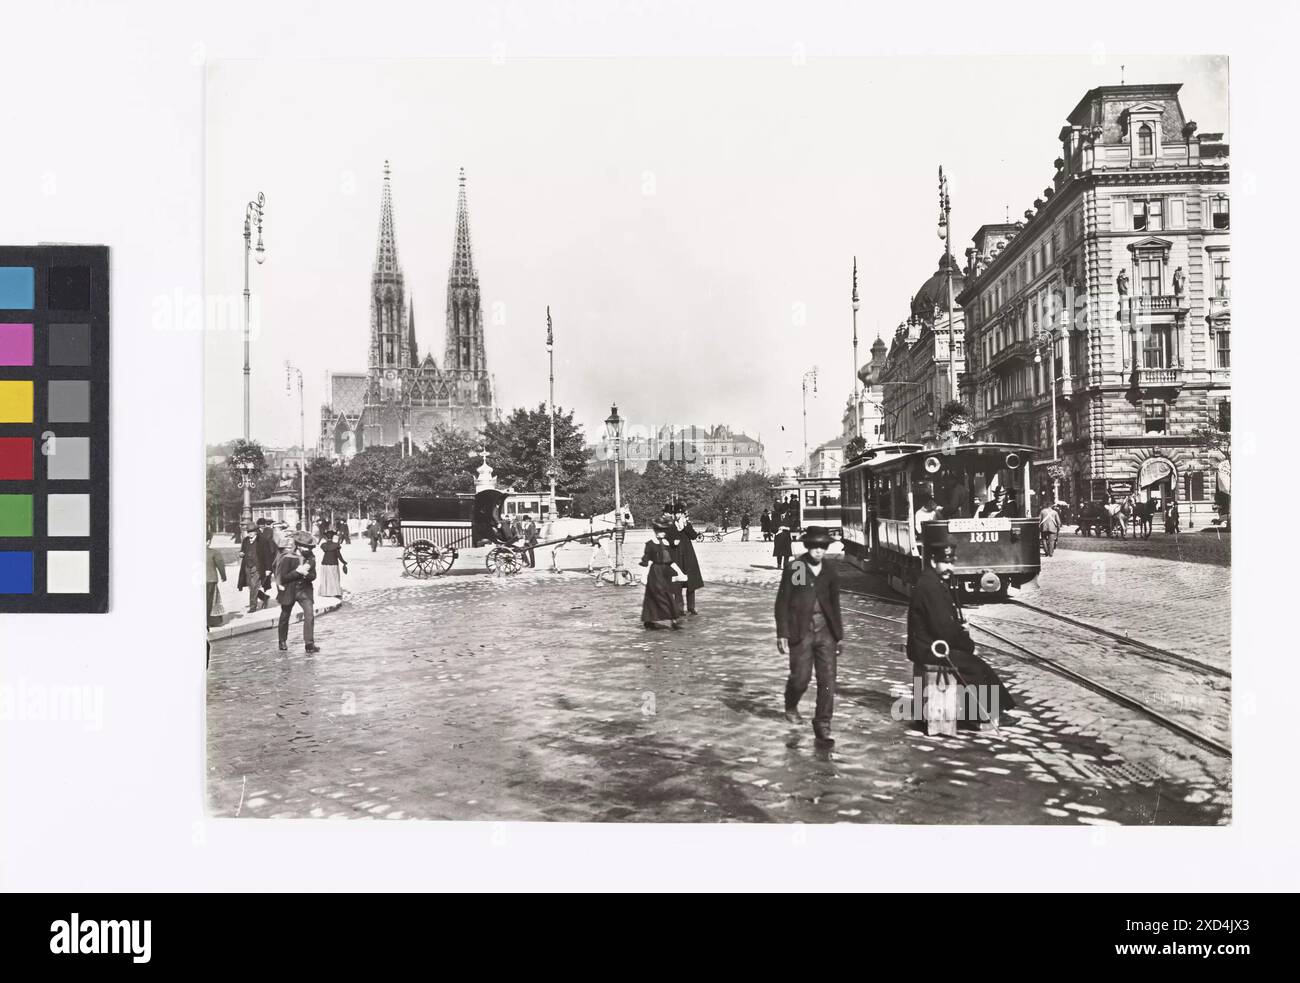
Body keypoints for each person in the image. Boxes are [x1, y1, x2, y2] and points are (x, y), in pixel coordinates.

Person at [907, 525, 1015, 727]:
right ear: (933, 561)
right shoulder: (930, 586)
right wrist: (965, 641)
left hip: (932, 645)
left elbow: (944, 623)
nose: (950, 568)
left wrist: (959, 631)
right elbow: (943, 629)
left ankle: (989, 711)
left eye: (952, 563)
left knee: (975, 664)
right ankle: (985, 714)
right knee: (975, 666)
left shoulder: (933, 581)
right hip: (930, 649)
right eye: (945, 563)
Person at [775, 527, 843, 748]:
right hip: (801, 630)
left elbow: (835, 604)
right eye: (815, 546)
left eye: (823, 547)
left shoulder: (830, 570)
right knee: (801, 677)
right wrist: (782, 633)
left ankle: (823, 724)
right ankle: (791, 703)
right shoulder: (797, 568)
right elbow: (783, 601)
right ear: (807, 546)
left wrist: (839, 635)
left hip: (826, 632)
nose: (819, 551)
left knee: (828, 680)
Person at [275, 530, 320, 654]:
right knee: (285, 615)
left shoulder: (311, 558)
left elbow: (314, 576)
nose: (306, 549)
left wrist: (306, 574)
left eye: (308, 547)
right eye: (304, 546)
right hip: (289, 589)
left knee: (309, 615)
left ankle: (309, 644)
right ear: (298, 545)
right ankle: (282, 640)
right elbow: (283, 577)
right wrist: (297, 572)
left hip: (304, 591)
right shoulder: (288, 558)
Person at [639, 521, 688, 629]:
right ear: (655, 531)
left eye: (664, 531)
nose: (663, 533)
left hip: (665, 573)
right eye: (660, 531)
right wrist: (643, 576)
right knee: (659, 596)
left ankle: (654, 621)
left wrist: (680, 572)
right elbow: (646, 561)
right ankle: (670, 621)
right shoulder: (650, 544)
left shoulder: (665, 543)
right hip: (655, 573)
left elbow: (670, 561)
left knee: (666, 595)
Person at [668, 506, 704, 615]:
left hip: (688, 555)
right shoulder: (671, 526)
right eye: (677, 514)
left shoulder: (687, 525)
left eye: (680, 514)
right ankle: (679, 608)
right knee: (678, 583)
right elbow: (667, 538)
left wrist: (685, 527)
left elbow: (693, 536)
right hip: (676, 555)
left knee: (691, 582)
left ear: (683, 514)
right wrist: (672, 542)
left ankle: (691, 607)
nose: (678, 516)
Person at [236, 522, 262, 613]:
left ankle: (253, 606)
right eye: (249, 531)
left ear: (256, 532)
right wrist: (241, 554)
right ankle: (264, 597)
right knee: (250, 585)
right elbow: (242, 551)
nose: (250, 533)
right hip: (247, 565)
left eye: (252, 531)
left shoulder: (261, 541)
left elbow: (266, 554)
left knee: (254, 585)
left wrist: (267, 569)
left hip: (257, 566)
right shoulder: (246, 540)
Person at [318, 529, 347, 597]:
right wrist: (344, 562)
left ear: (326, 537)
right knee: (334, 577)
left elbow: (325, 549)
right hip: (333, 563)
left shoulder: (323, 545)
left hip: (324, 563)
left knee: (325, 578)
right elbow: (339, 555)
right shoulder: (336, 545)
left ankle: (325, 592)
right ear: (333, 537)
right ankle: (334, 592)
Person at [206, 542, 227, 628]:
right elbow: (220, 565)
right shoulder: (214, 552)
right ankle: (210, 621)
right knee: (211, 601)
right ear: (208, 541)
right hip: (210, 579)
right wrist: (223, 576)